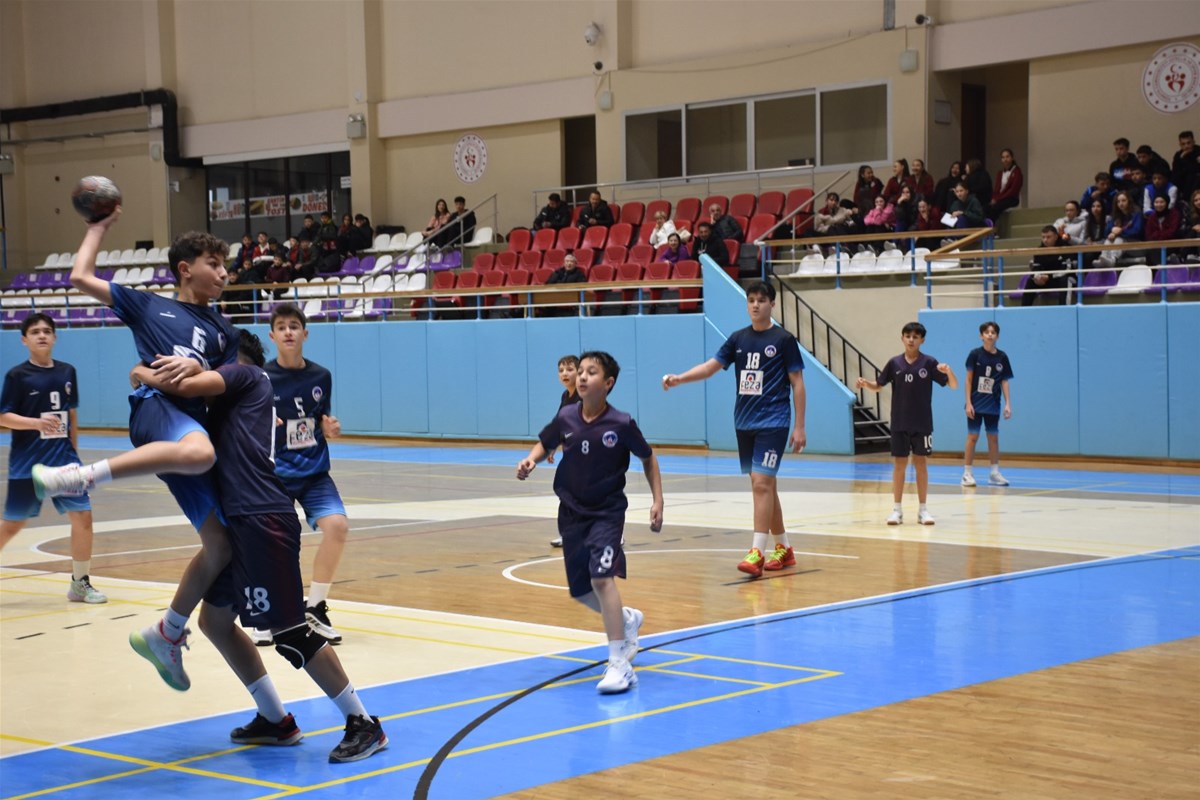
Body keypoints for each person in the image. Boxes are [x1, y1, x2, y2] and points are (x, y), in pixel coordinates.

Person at [130, 331, 387, 763]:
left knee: (289, 633)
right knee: (215, 621)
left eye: (214, 361)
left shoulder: (247, 377)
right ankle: (275, 719)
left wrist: (141, 371)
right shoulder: (233, 402)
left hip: (262, 519)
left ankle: (363, 723)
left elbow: (183, 385)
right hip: (244, 521)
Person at [36, 209, 240, 693]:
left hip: (191, 428)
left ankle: (167, 634)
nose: (224, 274)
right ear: (185, 268)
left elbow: (224, 389)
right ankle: (79, 478)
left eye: (226, 266)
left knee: (221, 546)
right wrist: (97, 227)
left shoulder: (225, 332)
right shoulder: (148, 306)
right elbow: (80, 277)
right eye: (214, 263)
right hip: (158, 413)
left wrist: (193, 374)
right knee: (200, 453)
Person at [517, 351, 664, 694]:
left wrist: (657, 500)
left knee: (601, 579)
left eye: (591, 372)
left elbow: (648, 457)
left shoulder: (621, 423)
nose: (582, 376)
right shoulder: (566, 416)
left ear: (608, 383)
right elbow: (546, 442)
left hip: (607, 513)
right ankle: (626, 620)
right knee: (582, 591)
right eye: (580, 371)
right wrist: (531, 460)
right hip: (571, 511)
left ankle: (619, 664)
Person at [662, 281, 805, 578]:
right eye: (751, 300)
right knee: (765, 485)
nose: (756, 305)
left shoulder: (783, 340)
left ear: (772, 304)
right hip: (744, 422)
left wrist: (800, 426)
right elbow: (710, 367)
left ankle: (756, 552)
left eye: (761, 300)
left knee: (761, 484)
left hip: (774, 421)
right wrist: (680, 379)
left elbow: (798, 383)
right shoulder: (738, 338)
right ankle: (784, 548)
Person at [251, 303, 351, 645]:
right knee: (273, 544)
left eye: (294, 326)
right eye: (281, 327)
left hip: (314, 472)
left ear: (305, 334)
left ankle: (315, 608)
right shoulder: (261, 378)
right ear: (272, 336)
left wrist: (330, 428)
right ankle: (266, 614)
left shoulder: (321, 376)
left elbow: (321, 420)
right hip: (274, 473)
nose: (288, 332)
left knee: (337, 526)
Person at [0, 314, 106, 604]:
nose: (42, 335)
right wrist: (35, 423)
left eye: (47, 331)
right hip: (28, 463)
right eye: (35, 332)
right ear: (24, 340)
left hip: (64, 461)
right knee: (12, 524)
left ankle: (80, 584)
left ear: (55, 337)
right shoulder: (17, 376)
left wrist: (74, 455)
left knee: (82, 516)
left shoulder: (67, 371)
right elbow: (3, 416)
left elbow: (71, 415)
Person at [856, 322, 957, 526]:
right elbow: (879, 385)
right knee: (899, 465)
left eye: (915, 337)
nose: (911, 340)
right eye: (908, 336)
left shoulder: (929, 363)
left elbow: (953, 385)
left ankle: (923, 510)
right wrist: (866, 384)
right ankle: (897, 510)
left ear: (922, 340)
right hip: (900, 423)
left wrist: (949, 371)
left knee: (921, 464)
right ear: (902, 338)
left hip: (922, 423)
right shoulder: (894, 363)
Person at [961, 321, 1013, 488]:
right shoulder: (975, 354)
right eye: (987, 332)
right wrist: (968, 403)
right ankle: (967, 473)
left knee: (993, 437)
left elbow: (1004, 381)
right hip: (975, 404)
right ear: (981, 336)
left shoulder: (1002, 357)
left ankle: (994, 473)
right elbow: (968, 380)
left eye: (993, 332)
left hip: (993, 404)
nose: (990, 334)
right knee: (973, 437)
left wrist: (1008, 404)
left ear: (997, 336)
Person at [547, 353, 581, 548]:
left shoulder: (584, 395)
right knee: (565, 492)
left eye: (569, 369)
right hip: (572, 456)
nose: (564, 374)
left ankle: (612, 533)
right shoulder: (565, 397)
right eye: (561, 370)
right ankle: (567, 533)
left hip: (591, 455)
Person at [1021, 226, 1074, 306]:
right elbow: (1035, 268)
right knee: (1031, 281)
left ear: (1056, 237)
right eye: (1043, 237)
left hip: (1061, 278)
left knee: (1065, 280)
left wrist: (1049, 276)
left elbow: (1067, 269)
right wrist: (1037, 277)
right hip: (1046, 280)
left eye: (1048, 237)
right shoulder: (1039, 250)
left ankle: (1065, 309)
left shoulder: (1065, 248)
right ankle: (1024, 310)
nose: (1045, 240)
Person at [1144, 194, 1182, 266]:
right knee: (1150, 251)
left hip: (1171, 244)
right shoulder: (1152, 217)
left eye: (1161, 202)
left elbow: (1172, 232)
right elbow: (1148, 235)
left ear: (1167, 203)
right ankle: (1158, 271)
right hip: (1155, 245)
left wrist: (1157, 234)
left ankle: (1162, 269)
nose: (1159, 205)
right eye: (1156, 202)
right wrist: (1160, 235)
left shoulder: (1174, 214)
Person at [988, 148, 1023, 218]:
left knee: (995, 208)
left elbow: (1013, 190)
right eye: (1003, 157)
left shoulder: (1017, 172)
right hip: (1000, 198)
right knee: (986, 207)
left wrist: (998, 199)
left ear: (1012, 158)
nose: (1005, 159)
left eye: (1007, 157)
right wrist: (994, 198)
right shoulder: (1000, 173)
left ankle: (992, 224)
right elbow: (997, 189)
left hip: (1012, 198)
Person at [1171, 130, 1198, 199]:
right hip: (1184, 186)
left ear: (1193, 142)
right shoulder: (1178, 156)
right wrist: (1182, 160)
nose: (1186, 146)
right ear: (1180, 145)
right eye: (1183, 144)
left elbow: (1194, 170)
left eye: (1188, 143)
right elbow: (1175, 175)